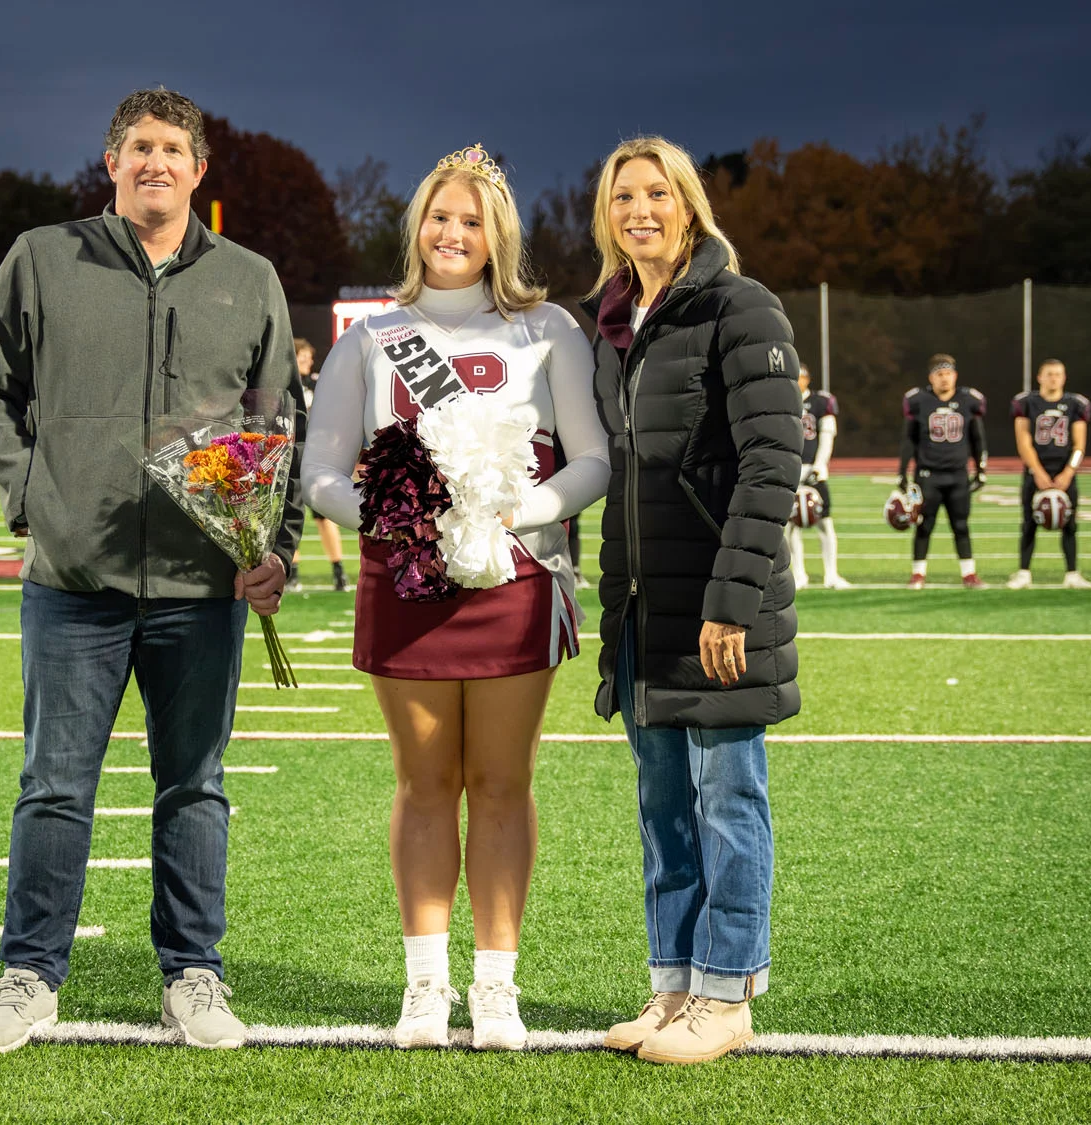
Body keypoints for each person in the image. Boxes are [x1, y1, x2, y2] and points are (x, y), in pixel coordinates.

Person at [0, 87, 302, 1054]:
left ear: (199, 169)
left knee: (194, 784)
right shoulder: (41, 257)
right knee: (55, 784)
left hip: (202, 588)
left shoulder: (250, 278)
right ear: (111, 163)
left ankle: (194, 975)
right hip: (74, 581)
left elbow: (279, 422)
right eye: (139, 146)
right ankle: (28, 974)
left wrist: (272, 543)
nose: (157, 162)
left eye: (174, 148)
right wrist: (32, 488)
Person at [303, 144, 610, 1050]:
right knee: (426, 781)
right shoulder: (370, 338)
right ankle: (424, 985)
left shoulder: (548, 327)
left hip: (517, 577)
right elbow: (319, 471)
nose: (454, 232)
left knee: (503, 782)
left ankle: (497, 988)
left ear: (497, 235)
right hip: (407, 576)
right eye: (441, 216)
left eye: (473, 220)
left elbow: (593, 455)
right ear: (418, 226)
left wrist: (529, 506)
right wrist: (395, 513)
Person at [583, 137, 800, 1066]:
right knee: (663, 809)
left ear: (689, 205)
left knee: (727, 801)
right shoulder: (615, 319)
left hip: (715, 607)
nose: (640, 209)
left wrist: (731, 600)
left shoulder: (739, 306)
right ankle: (674, 983)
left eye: (657, 193)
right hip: (641, 605)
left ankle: (728, 993)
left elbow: (771, 460)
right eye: (623, 195)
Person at [898, 355, 988, 589]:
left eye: (948, 373)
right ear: (931, 377)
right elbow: (909, 440)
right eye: (939, 374)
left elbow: (978, 438)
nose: (944, 378)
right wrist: (902, 473)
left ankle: (969, 574)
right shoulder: (919, 400)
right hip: (928, 475)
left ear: (955, 376)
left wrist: (981, 469)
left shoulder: (969, 400)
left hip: (958, 475)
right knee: (923, 525)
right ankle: (918, 574)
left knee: (961, 525)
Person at [1007, 359, 1091, 589]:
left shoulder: (1076, 404)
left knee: (1070, 523)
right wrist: (1036, 471)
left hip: (1064, 471)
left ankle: (1072, 573)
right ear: (1039, 377)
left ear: (1064, 378)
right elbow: (1023, 441)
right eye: (1049, 374)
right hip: (1036, 470)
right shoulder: (1026, 402)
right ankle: (1024, 572)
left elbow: (1079, 445)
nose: (1054, 378)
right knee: (1028, 524)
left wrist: (1069, 472)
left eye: (1058, 374)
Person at [286, 339, 349, 593]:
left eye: (309, 357)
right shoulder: (285, 383)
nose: (308, 361)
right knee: (289, 514)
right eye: (304, 356)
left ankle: (339, 571)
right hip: (290, 455)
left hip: (316, 455)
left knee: (325, 516)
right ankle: (292, 574)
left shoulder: (318, 383)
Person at [787, 363, 852, 590]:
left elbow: (827, 438)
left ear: (808, 379)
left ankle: (831, 574)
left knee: (825, 523)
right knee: (791, 525)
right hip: (790, 471)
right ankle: (798, 575)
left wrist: (820, 466)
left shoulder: (821, 402)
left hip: (814, 471)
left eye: (800, 376)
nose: (797, 380)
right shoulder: (780, 401)